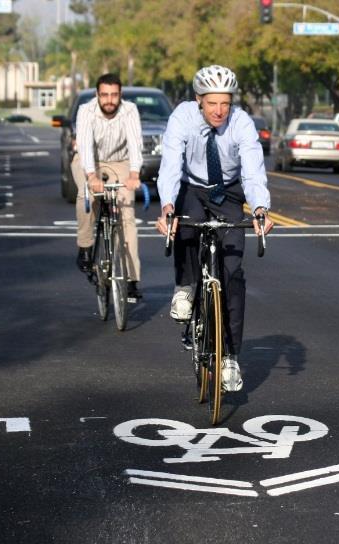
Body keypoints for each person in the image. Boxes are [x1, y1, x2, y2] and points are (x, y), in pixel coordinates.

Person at [156, 65, 273, 392]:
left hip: (229, 191)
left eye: (225, 103)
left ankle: (230, 358)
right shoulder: (182, 117)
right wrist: (167, 206)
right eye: (212, 103)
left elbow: (252, 171)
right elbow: (170, 165)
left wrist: (261, 208)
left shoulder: (242, 123)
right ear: (199, 100)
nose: (219, 110)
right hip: (191, 187)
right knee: (185, 225)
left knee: (233, 272)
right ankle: (185, 287)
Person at [74, 73, 143, 299]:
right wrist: (92, 178)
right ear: (97, 95)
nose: (109, 100)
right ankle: (85, 247)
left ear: (120, 95)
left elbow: (135, 144)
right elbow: (84, 147)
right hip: (89, 160)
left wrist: (134, 175)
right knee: (87, 194)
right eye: (104, 95)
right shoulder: (86, 111)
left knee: (127, 215)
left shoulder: (130, 110)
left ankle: (131, 279)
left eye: (114, 95)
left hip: (120, 162)